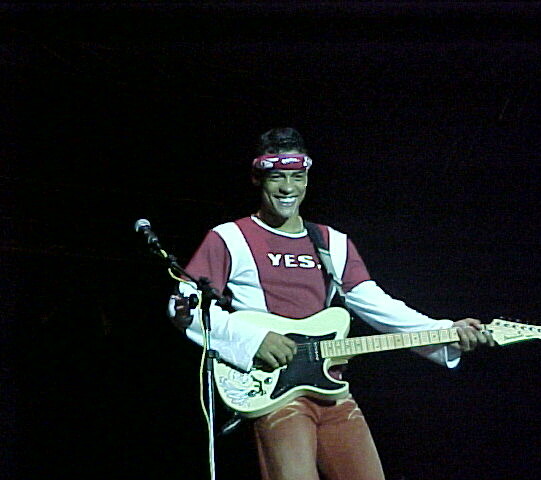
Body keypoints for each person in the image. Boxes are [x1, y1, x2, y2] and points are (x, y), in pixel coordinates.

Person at [168, 127, 494, 480]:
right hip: (275, 392)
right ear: (257, 178)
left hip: (331, 389)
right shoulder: (229, 237)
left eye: (297, 177)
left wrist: (445, 330)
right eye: (277, 177)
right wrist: (253, 340)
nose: (288, 188)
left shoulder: (331, 242)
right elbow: (182, 307)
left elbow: (379, 305)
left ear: (307, 178)